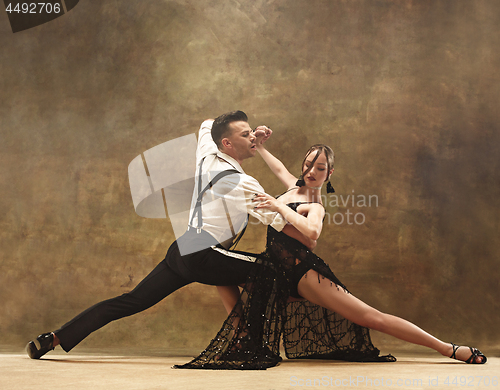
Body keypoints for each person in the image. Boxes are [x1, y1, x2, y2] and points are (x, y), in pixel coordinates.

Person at [176, 133, 487, 369]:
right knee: (217, 271)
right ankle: (243, 337)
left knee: (371, 317)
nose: (312, 171)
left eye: (320, 167)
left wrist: (277, 207)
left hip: (303, 274)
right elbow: (280, 167)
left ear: (330, 173)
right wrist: (260, 146)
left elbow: (312, 234)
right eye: (309, 164)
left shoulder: (315, 204)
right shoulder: (292, 187)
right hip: (275, 269)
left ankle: (447, 348)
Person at [26, 110, 315, 359]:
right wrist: (306, 213)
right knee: (269, 272)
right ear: (226, 143)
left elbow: (207, 123)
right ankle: (248, 346)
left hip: (181, 250)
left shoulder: (207, 153)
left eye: (252, 132)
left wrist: (251, 133)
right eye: (245, 135)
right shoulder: (241, 182)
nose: (252, 138)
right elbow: (281, 222)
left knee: (131, 300)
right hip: (203, 253)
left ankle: (53, 338)